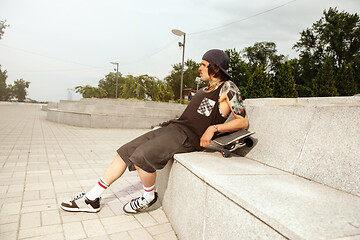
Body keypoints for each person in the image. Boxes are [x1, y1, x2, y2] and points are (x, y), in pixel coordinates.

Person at [60, 49, 249, 214]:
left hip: (188, 138)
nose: (199, 68)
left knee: (142, 156)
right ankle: (92, 198)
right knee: (125, 151)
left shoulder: (228, 88)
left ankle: (148, 197)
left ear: (215, 68)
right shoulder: (205, 88)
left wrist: (213, 128)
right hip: (174, 128)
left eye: (203, 64)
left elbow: (242, 121)